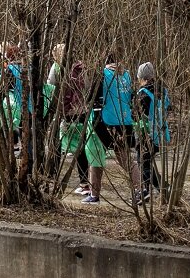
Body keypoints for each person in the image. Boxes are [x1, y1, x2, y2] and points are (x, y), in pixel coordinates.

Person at [88, 51, 140, 203]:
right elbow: (131, 97)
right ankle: (141, 188)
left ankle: (94, 194)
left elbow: (92, 97)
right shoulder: (127, 76)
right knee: (125, 158)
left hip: (105, 122)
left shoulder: (102, 74)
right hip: (125, 121)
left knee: (95, 155)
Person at [48, 44, 90, 194]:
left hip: (63, 112)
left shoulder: (57, 67)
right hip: (80, 111)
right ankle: (85, 183)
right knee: (80, 148)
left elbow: (50, 86)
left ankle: (52, 178)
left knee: (56, 145)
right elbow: (87, 86)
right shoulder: (80, 67)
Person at [134, 61, 170, 199]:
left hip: (146, 134)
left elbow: (136, 116)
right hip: (160, 132)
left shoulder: (143, 94)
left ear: (143, 77)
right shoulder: (162, 90)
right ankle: (160, 188)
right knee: (148, 163)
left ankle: (152, 190)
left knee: (143, 163)